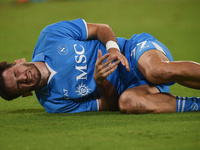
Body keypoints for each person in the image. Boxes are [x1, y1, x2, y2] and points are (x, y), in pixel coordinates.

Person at [0, 18, 200, 114]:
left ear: (18, 62)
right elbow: (109, 106)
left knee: (156, 71)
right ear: (25, 94)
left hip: (133, 52)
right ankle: (195, 105)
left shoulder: (50, 36)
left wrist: (113, 50)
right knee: (128, 104)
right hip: (131, 90)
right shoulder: (55, 104)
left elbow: (100, 29)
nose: (22, 77)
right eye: (19, 85)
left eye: (16, 73)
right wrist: (101, 81)